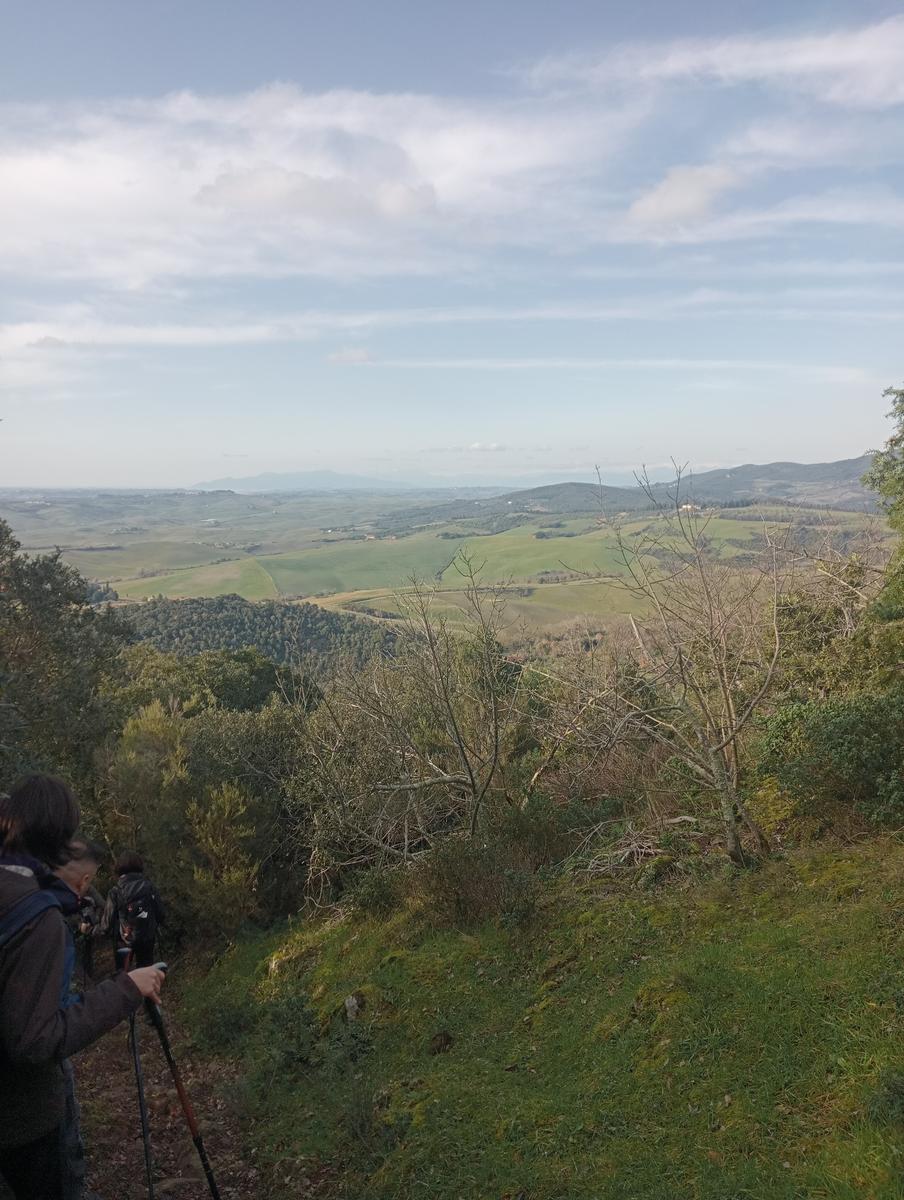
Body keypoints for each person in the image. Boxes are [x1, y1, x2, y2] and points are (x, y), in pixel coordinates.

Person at [0, 775, 164, 1200]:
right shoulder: (36, 916)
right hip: (22, 1121)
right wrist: (126, 990)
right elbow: (35, 1039)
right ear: (58, 839)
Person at [98, 851, 165, 970]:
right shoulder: (149, 887)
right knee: (146, 973)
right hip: (147, 939)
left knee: (123, 976)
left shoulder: (115, 891)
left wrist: (92, 930)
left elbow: (106, 925)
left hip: (124, 940)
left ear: (119, 868)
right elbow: (161, 914)